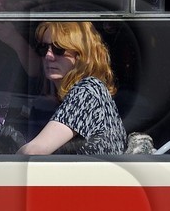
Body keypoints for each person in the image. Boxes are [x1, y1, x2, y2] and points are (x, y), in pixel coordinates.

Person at [18, 21, 127, 156]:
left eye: (59, 49)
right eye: (43, 48)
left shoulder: (88, 91)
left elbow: (34, 151)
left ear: (82, 55)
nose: (48, 56)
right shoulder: (70, 96)